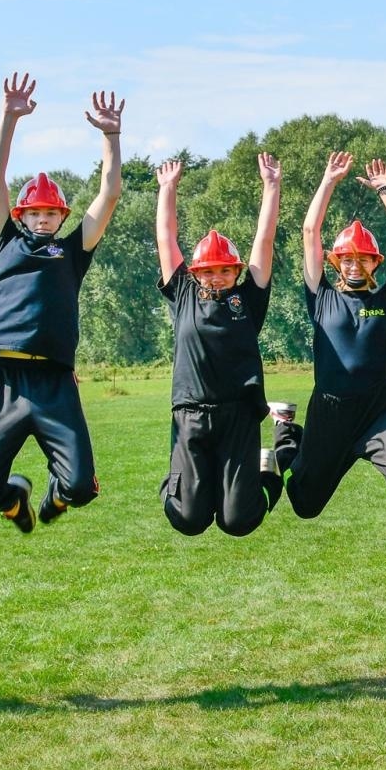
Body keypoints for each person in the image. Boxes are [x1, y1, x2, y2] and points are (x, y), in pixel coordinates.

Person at [0, 73, 124, 532]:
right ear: (22, 215)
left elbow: (109, 193)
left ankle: (55, 494)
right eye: (35, 212)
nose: (44, 218)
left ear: (61, 217)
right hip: (9, 380)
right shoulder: (5, 241)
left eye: (52, 213)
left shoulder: (71, 252)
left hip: (54, 381)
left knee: (80, 488)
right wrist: (9, 116)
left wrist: (111, 136)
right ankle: (15, 498)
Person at [270, 152, 386, 516]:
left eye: (363, 258)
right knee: (304, 503)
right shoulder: (322, 297)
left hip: (379, 409)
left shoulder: (385, 298)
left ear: (375, 262)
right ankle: (286, 430)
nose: (355, 265)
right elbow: (310, 231)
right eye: (347, 258)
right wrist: (328, 180)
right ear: (337, 262)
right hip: (329, 412)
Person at [154, 153, 284, 536]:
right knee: (190, 520)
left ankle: (266, 471)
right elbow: (166, 237)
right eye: (208, 271)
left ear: (236, 271)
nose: (218, 276)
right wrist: (167, 189)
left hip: (239, 417)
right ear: (195, 274)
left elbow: (265, 239)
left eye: (225, 269)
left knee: (238, 521)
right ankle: (174, 483)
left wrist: (271, 187)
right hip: (190, 415)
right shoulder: (183, 294)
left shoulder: (249, 300)